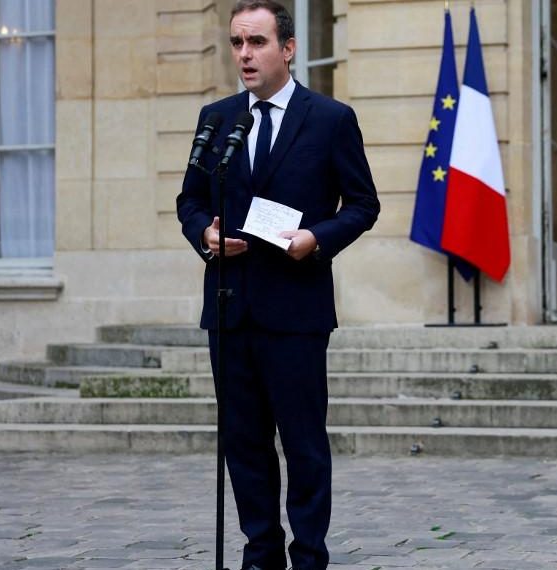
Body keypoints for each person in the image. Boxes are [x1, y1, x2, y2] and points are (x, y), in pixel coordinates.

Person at [175, 1, 380, 568]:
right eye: (237, 42)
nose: (244, 54)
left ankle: (309, 555)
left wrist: (317, 236)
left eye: (257, 42)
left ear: (287, 49)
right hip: (230, 307)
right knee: (243, 444)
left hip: (296, 310)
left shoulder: (330, 119)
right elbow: (189, 199)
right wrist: (204, 233)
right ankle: (259, 554)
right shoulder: (217, 119)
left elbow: (363, 205)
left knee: (303, 445)